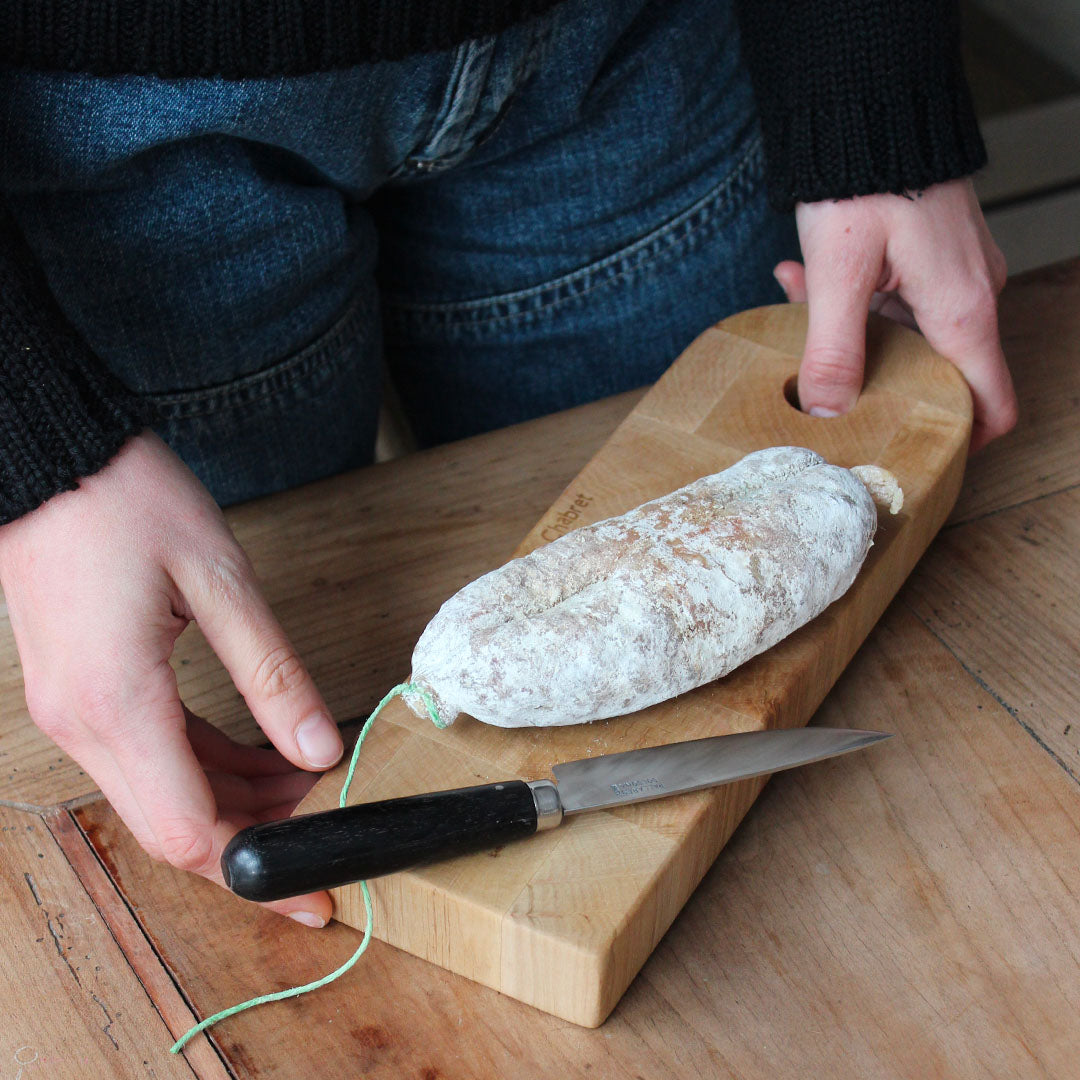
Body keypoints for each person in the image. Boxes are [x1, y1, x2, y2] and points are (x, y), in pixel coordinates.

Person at [0, 0, 1016, 929]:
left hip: (619, 60)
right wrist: (36, 451)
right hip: (124, 142)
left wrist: (873, 85)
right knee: (267, 712)